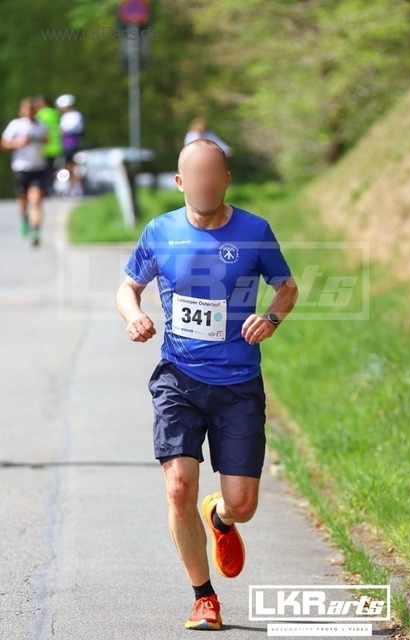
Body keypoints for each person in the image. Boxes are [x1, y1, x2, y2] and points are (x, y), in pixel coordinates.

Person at [116, 139, 298, 630]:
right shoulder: (161, 231)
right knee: (178, 488)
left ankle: (220, 517)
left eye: (213, 174)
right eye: (195, 175)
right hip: (178, 378)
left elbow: (286, 287)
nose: (204, 183)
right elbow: (128, 287)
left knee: (243, 505)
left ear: (226, 179)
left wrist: (271, 319)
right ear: (180, 182)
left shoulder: (255, 231)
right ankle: (204, 597)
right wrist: (133, 316)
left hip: (238, 384)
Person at [1, 97, 48, 246]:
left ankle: (35, 230)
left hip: (38, 167)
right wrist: (18, 143)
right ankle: (23, 218)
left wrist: (38, 139)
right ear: (21, 111)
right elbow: (4, 143)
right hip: (21, 167)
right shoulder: (15, 125)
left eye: (32, 109)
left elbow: (46, 140)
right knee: (23, 198)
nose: (29, 112)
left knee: (36, 199)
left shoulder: (41, 125)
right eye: (26, 109)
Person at [55, 94, 85, 197]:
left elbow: (66, 129)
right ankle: (71, 187)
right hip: (67, 144)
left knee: (74, 166)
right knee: (68, 166)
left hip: (72, 144)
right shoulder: (66, 116)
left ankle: (77, 188)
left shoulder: (74, 115)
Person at [34, 95, 62, 195]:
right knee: (53, 169)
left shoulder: (40, 114)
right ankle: (51, 188)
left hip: (45, 146)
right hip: (56, 145)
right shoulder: (54, 113)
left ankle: (45, 189)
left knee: (43, 170)